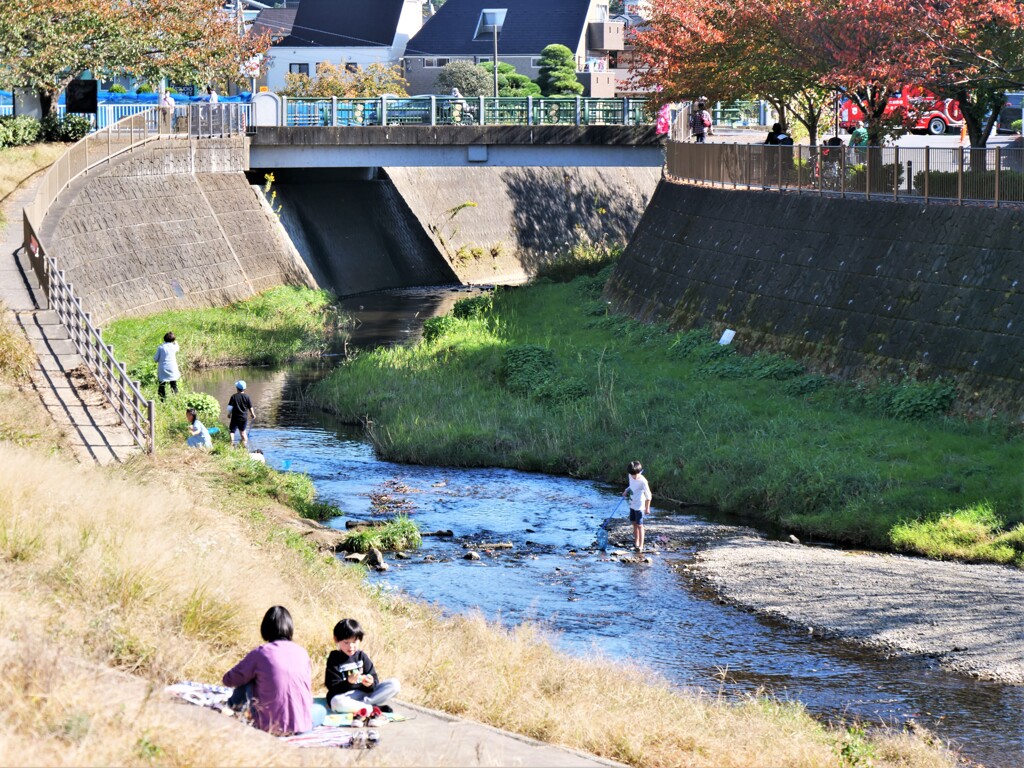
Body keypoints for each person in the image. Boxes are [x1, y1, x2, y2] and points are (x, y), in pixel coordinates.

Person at [223, 606, 326, 736]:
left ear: (265, 628)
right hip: (302, 727)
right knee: (321, 710)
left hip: (269, 726)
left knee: (247, 679)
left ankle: (232, 707)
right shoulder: (302, 653)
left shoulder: (260, 653)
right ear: (290, 628)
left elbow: (229, 680)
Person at [325, 618, 400, 717]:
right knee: (336, 702)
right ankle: (372, 708)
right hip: (345, 696)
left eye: (354, 642)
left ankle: (359, 706)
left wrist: (370, 683)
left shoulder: (362, 656)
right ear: (336, 640)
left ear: (360, 640)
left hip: (364, 695)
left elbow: (374, 681)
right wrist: (348, 683)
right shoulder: (334, 658)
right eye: (346, 642)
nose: (351, 646)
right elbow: (331, 686)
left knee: (394, 684)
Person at [623, 460, 652, 552]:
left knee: (640, 525)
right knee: (634, 523)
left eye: (635, 475)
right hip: (632, 504)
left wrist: (647, 508)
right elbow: (632, 485)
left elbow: (649, 496)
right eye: (632, 475)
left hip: (640, 506)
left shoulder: (643, 481)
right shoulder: (630, 475)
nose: (633, 477)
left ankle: (641, 545)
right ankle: (636, 542)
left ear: (639, 472)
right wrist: (626, 490)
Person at [226, 380, 255, 448]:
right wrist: (253, 414)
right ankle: (244, 446)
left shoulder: (233, 396)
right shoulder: (247, 397)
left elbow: (230, 407)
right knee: (243, 432)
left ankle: (232, 444)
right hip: (243, 417)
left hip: (235, 417)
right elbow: (250, 407)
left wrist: (229, 414)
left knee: (232, 431)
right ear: (244, 388)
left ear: (237, 388)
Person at [153, 331, 180, 400]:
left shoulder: (161, 347)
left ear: (164, 339)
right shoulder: (174, 347)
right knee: (173, 385)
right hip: (172, 368)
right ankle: (177, 400)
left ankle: (162, 400)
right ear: (173, 339)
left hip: (163, 368)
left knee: (161, 385)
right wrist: (176, 343)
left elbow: (155, 359)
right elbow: (177, 347)